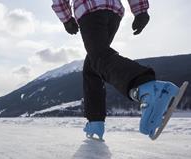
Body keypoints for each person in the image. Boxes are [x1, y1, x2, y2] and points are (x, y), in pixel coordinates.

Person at [51, 0, 181, 140]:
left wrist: (66, 18)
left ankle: (146, 88)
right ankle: (95, 122)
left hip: (89, 9)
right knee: (92, 67)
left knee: (99, 57)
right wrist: (140, 10)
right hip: (113, 12)